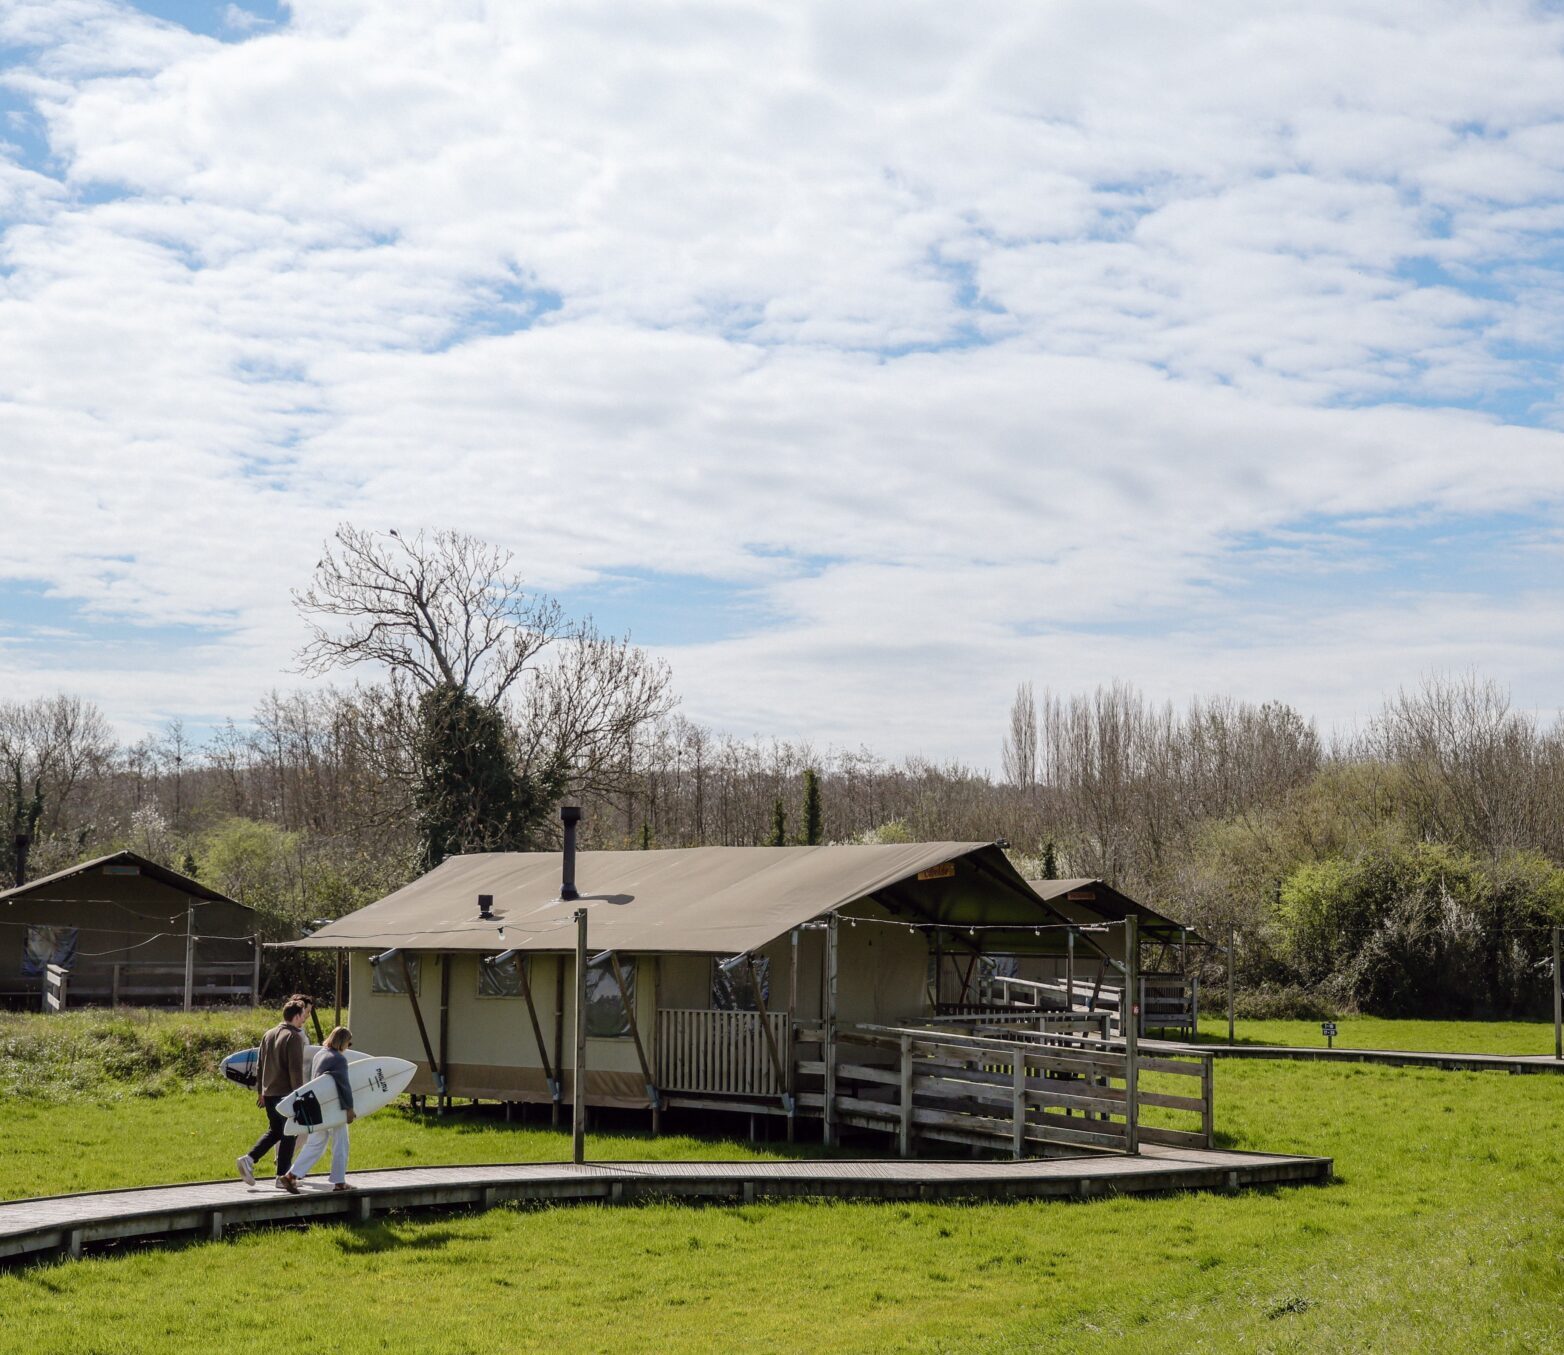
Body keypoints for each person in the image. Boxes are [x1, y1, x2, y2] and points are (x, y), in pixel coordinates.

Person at [236, 999, 308, 1189]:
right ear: (296, 1015)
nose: (304, 1020)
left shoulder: (268, 1034)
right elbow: (295, 1070)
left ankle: (249, 1159)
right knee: (289, 1134)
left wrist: (260, 1091)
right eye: (303, 1015)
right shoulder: (294, 1037)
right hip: (285, 1094)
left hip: (268, 1093)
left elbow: (259, 1065)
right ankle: (281, 1176)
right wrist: (299, 1096)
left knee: (276, 1131)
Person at [282, 1026, 357, 1193]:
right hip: (335, 1107)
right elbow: (344, 1086)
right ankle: (339, 1182)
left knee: (315, 1143)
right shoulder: (339, 1059)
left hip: (318, 1106)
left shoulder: (320, 1054)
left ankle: (291, 1176)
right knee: (341, 1143)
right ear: (342, 1041)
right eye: (348, 1043)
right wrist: (349, 1109)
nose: (348, 1046)